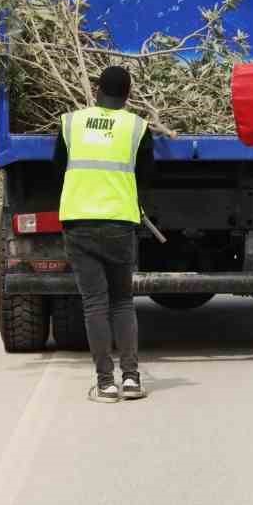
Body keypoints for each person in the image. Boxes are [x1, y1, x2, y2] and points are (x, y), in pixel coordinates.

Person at [53, 64, 156, 402]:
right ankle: (131, 379)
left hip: (79, 222)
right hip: (118, 223)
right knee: (123, 301)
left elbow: (58, 168)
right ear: (128, 95)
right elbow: (146, 175)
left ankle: (105, 384)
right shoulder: (137, 127)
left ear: (97, 90)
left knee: (94, 303)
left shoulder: (72, 123)